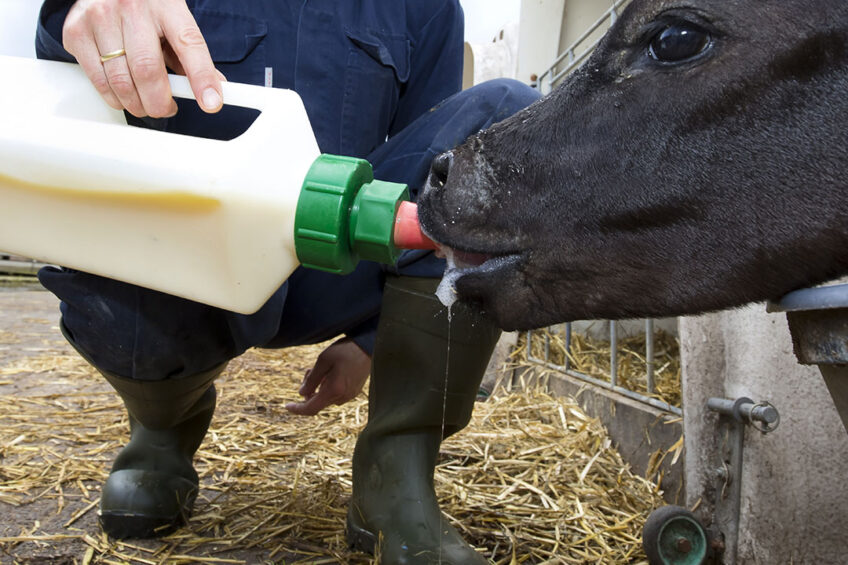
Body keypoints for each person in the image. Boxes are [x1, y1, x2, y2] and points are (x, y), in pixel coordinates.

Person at [34, 0, 541, 562]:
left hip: (334, 260)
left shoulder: (427, 10)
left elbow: (432, 167)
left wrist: (371, 342)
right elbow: (65, 64)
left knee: (505, 118)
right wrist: (83, 12)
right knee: (116, 247)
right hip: (180, 262)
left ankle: (395, 477)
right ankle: (162, 427)